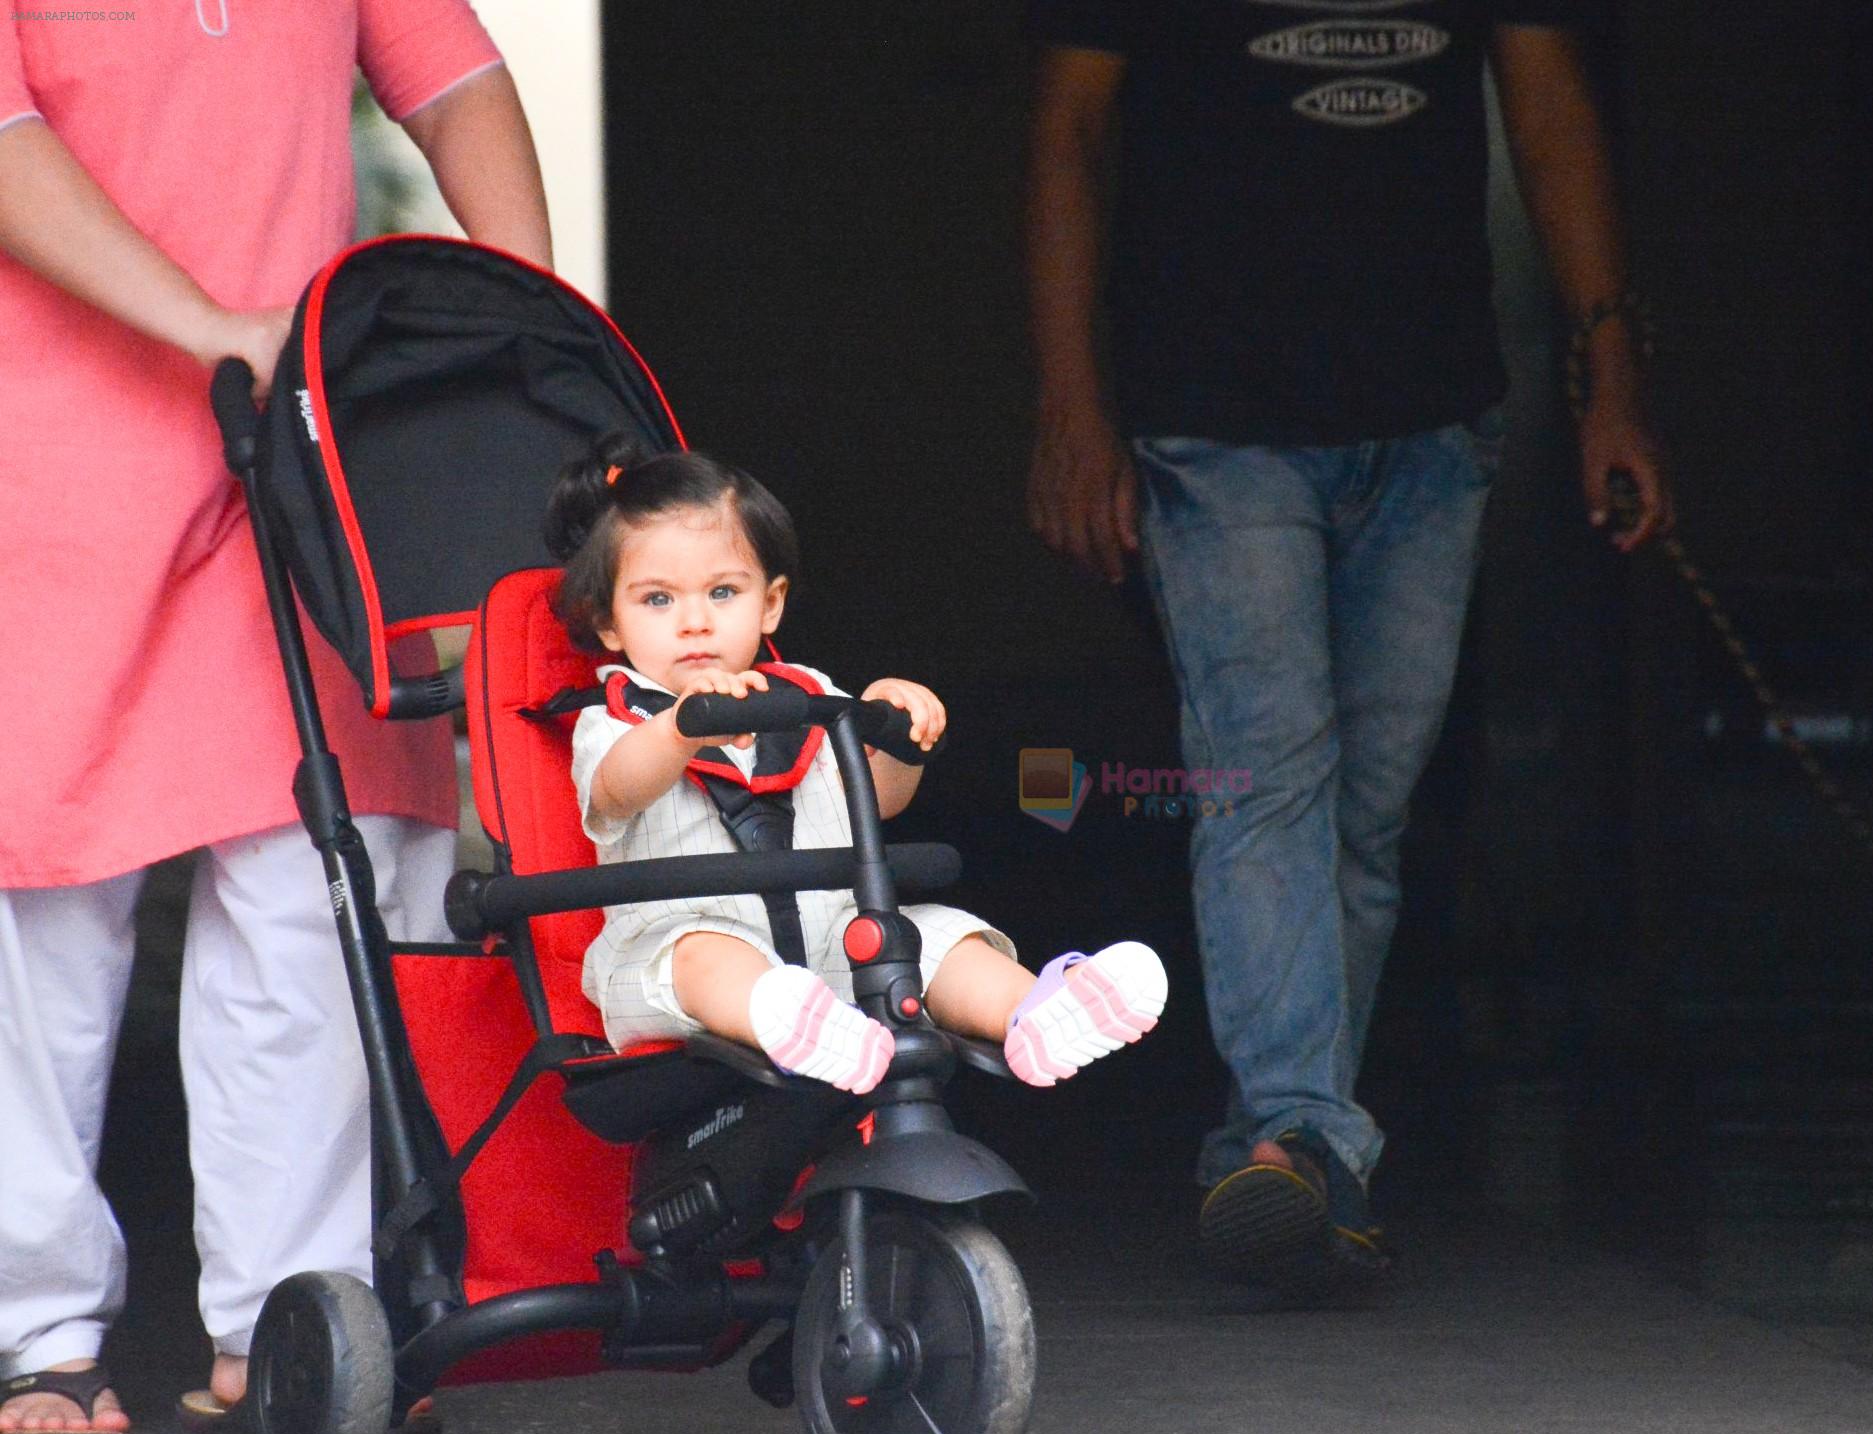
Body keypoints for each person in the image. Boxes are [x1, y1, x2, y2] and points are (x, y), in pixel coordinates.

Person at [1023, 0, 1674, 1290]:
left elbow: (1546, 110)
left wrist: (1612, 389)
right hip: (1215, 418)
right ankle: (1290, 1140)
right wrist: (1069, 403)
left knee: (1366, 812)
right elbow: (1067, 132)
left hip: (1433, 423)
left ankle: (1295, 1156)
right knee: (1267, 780)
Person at [0, 4, 550, 1434]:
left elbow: (467, 89)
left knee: (314, 870)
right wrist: (210, 326)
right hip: (50, 442)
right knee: (44, 894)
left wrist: (523, 311)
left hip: (289, 447)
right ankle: (34, 1329)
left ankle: (288, 1324)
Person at [550, 435, 1170, 1095]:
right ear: (609, 623)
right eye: (658, 600)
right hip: (675, 963)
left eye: (723, 592)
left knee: (927, 935)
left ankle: (1039, 1012)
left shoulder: (808, 695)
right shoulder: (618, 720)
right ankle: (781, 1015)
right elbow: (617, 789)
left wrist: (900, 739)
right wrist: (682, 729)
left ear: (771, 603)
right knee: (708, 960)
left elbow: (875, 801)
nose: (695, 622)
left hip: (828, 950)